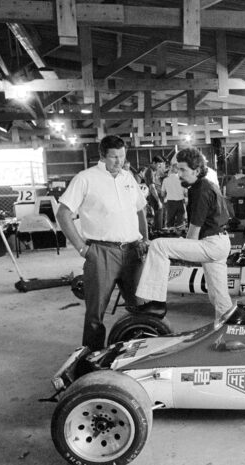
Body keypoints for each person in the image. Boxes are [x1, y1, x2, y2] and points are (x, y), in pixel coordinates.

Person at [57, 135, 149, 351]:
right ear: (102, 156)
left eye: (122, 156)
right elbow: (63, 214)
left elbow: (140, 209)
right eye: (114, 157)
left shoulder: (128, 178)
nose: (119, 161)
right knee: (96, 311)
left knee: (140, 306)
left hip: (133, 251)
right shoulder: (85, 178)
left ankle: (137, 352)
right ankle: (92, 355)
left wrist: (145, 239)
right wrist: (83, 248)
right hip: (101, 252)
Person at [129, 148, 232, 322]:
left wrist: (175, 251)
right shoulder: (204, 185)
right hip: (220, 241)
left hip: (211, 244)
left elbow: (192, 236)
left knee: (159, 245)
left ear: (197, 171)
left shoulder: (200, 190)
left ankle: (157, 303)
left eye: (183, 170)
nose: (178, 174)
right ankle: (231, 328)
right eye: (177, 169)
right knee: (218, 297)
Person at [141, 156, 166, 231]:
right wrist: (158, 201)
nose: (159, 166)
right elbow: (152, 187)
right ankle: (158, 233)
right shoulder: (150, 171)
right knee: (158, 215)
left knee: (160, 215)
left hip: (157, 195)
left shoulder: (153, 171)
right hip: (155, 196)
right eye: (158, 164)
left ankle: (158, 231)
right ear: (154, 163)